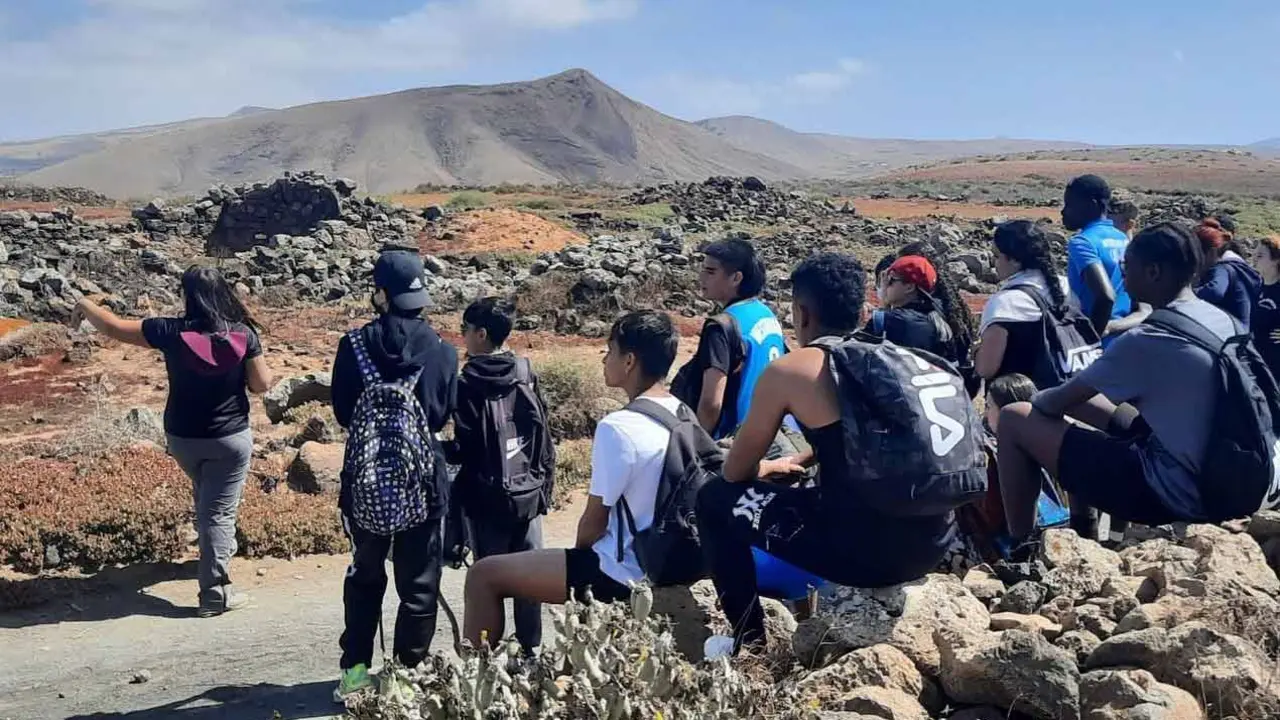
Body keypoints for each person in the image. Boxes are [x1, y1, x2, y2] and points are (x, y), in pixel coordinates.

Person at [695, 253, 957, 653]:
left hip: (868, 556)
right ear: (863, 308)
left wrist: (771, 467)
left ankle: (748, 643)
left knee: (713, 499)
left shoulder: (794, 369)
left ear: (801, 313)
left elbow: (735, 473)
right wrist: (799, 461)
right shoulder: (894, 356)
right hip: (935, 542)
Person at [995, 222, 1249, 538]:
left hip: (1181, 492)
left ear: (1153, 272)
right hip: (1240, 476)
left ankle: (1023, 547)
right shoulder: (1224, 320)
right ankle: (1093, 530)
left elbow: (1054, 401)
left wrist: (1037, 402)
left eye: (1128, 269)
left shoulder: (1148, 338)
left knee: (1015, 417)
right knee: (1087, 406)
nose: (1123, 280)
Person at [461, 310, 681, 648]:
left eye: (610, 350)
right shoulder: (681, 412)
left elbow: (593, 523)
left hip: (621, 570)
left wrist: (579, 575)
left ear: (630, 361)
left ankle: (476, 682)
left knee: (482, 575)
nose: (605, 359)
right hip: (667, 558)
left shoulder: (618, 427)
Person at [70, 267, 273, 616]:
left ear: (188, 295)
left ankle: (215, 551)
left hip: (182, 438)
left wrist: (84, 304)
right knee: (219, 512)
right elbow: (262, 385)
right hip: (229, 439)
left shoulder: (168, 331)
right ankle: (215, 593)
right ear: (223, 292)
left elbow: (113, 327)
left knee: (209, 501)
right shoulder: (243, 335)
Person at [331, 250, 458, 701]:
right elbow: (442, 414)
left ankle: (355, 675)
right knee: (419, 585)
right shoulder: (443, 351)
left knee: (365, 579)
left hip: (364, 486)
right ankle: (406, 677)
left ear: (380, 294)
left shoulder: (353, 345)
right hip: (422, 488)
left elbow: (345, 414)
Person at [448, 296, 554, 655]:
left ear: (480, 334)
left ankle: (487, 656)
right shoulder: (525, 370)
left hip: (486, 496)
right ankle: (532, 650)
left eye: (464, 329)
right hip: (528, 493)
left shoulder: (466, 382)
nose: (461, 336)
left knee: (489, 579)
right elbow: (543, 435)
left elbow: (465, 446)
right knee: (529, 574)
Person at [671, 239, 786, 439]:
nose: (701, 277)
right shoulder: (767, 315)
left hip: (731, 443)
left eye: (710, 271)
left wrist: (698, 447)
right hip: (767, 436)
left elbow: (711, 403)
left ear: (736, 278)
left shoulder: (721, 326)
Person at [974, 220, 1071, 382]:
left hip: (1020, 399)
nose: (994, 263)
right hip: (1066, 391)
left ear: (1014, 260)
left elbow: (986, 369)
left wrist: (976, 352)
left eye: (997, 256)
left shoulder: (1004, 303)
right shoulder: (1067, 286)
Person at [1062, 174, 1147, 342]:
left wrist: (1091, 339)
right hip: (1124, 336)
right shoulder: (1123, 239)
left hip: (1099, 341)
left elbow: (1106, 296)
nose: (1063, 211)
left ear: (1091, 205)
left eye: (1070, 205)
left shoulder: (1082, 242)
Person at [867, 254, 975, 369]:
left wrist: (883, 304)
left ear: (909, 287)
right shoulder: (940, 319)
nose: (884, 285)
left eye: (890, 280)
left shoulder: (890, 321)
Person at [1195, 218, 1261, 329]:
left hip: (1230, 334)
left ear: (1211, 252)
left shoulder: (1222, 268)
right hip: (1240, 332)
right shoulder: (1237, 265)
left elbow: (1215, 291)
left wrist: (1187, 294)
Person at [1250, 235, 1280, 377]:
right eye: (1254, 254)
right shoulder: (1257, 287)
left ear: (1276, 260)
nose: (1254, 258)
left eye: (1260, 255)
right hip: (1259, 360)